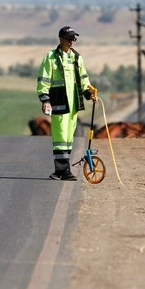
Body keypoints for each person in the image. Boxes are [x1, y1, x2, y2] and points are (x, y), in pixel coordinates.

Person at [37, 26, 97, 181]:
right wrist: (45, 100)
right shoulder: (50, 57)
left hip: (74, 104)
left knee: (69, 137)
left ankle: (62, 171)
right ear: (61, 39)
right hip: (58, 102)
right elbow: (44, 80)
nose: (72, 42)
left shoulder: (77, 58)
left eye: (74, 39)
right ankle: (63, 170)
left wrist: (89, 93)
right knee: (60, 137)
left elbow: (83, 80)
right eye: (69, 39)